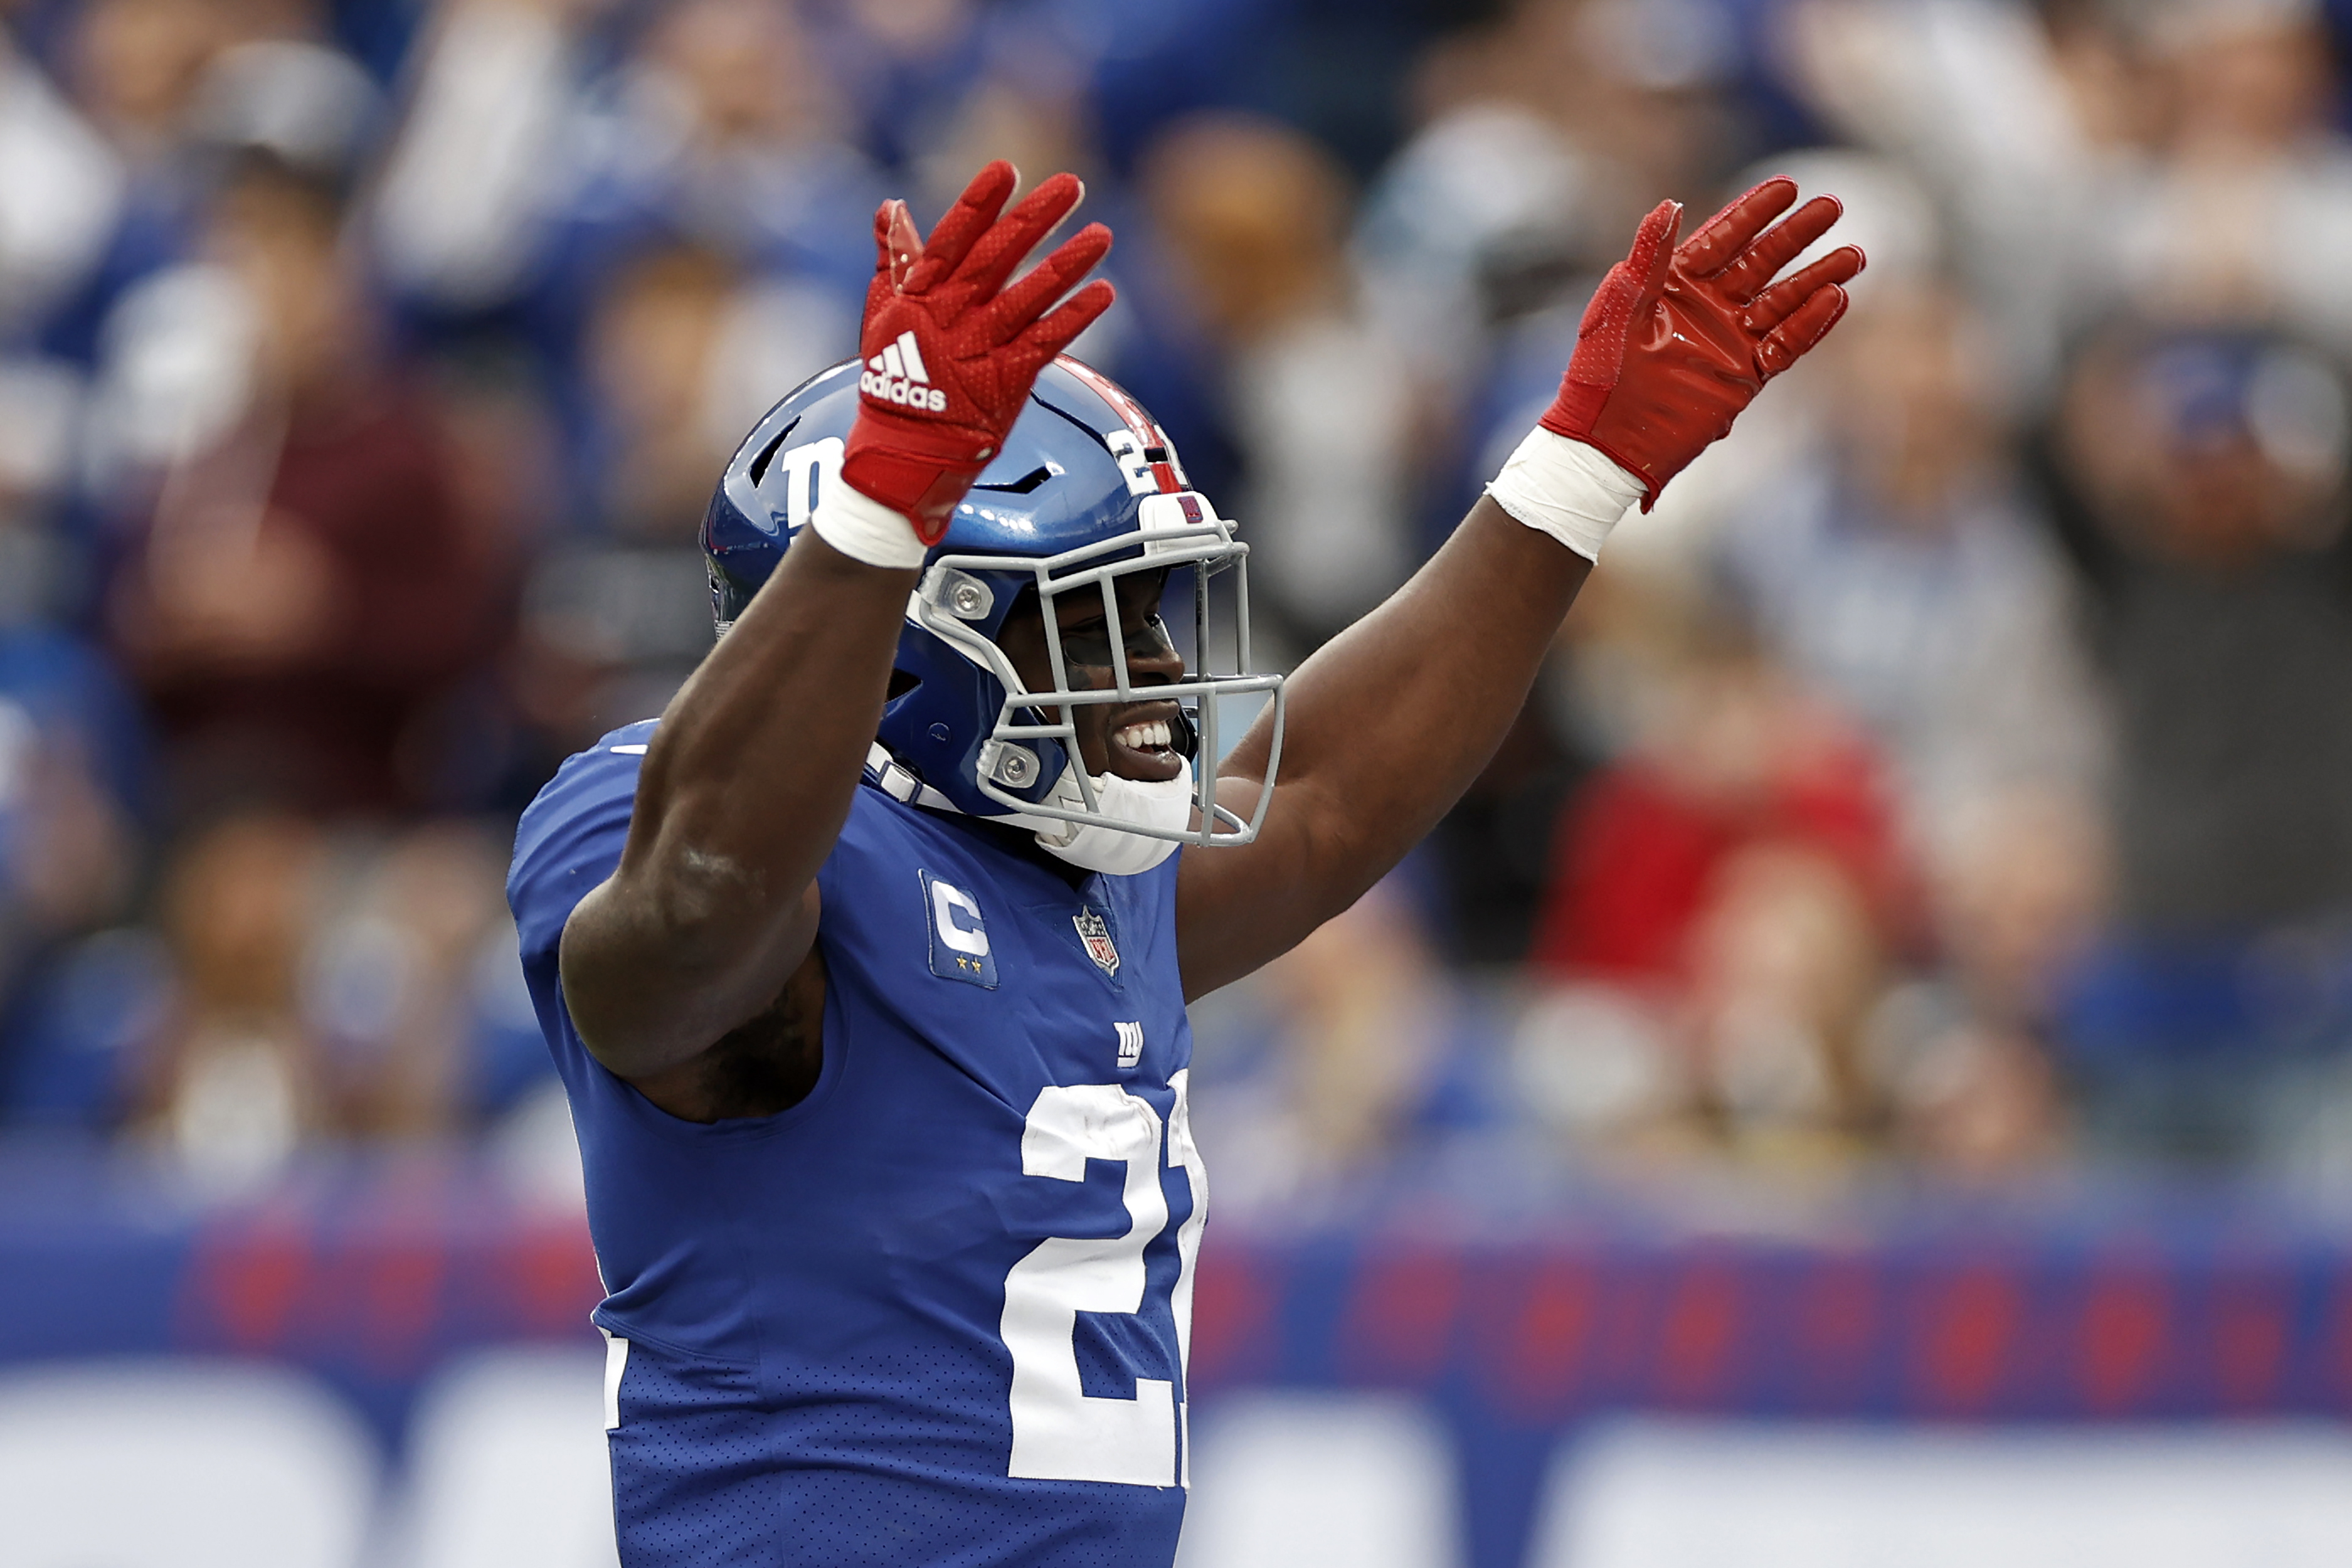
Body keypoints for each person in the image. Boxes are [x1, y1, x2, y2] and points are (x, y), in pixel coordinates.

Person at [507, 159, 1859, 1565]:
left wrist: (1578, 471)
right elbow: (697, 907)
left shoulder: (1064, 881)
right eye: (1090, 631)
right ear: (920, 639)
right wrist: (878, 511)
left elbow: (1324, 799)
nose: (1153, 673)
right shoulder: (661, 825)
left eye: (1146, 616)